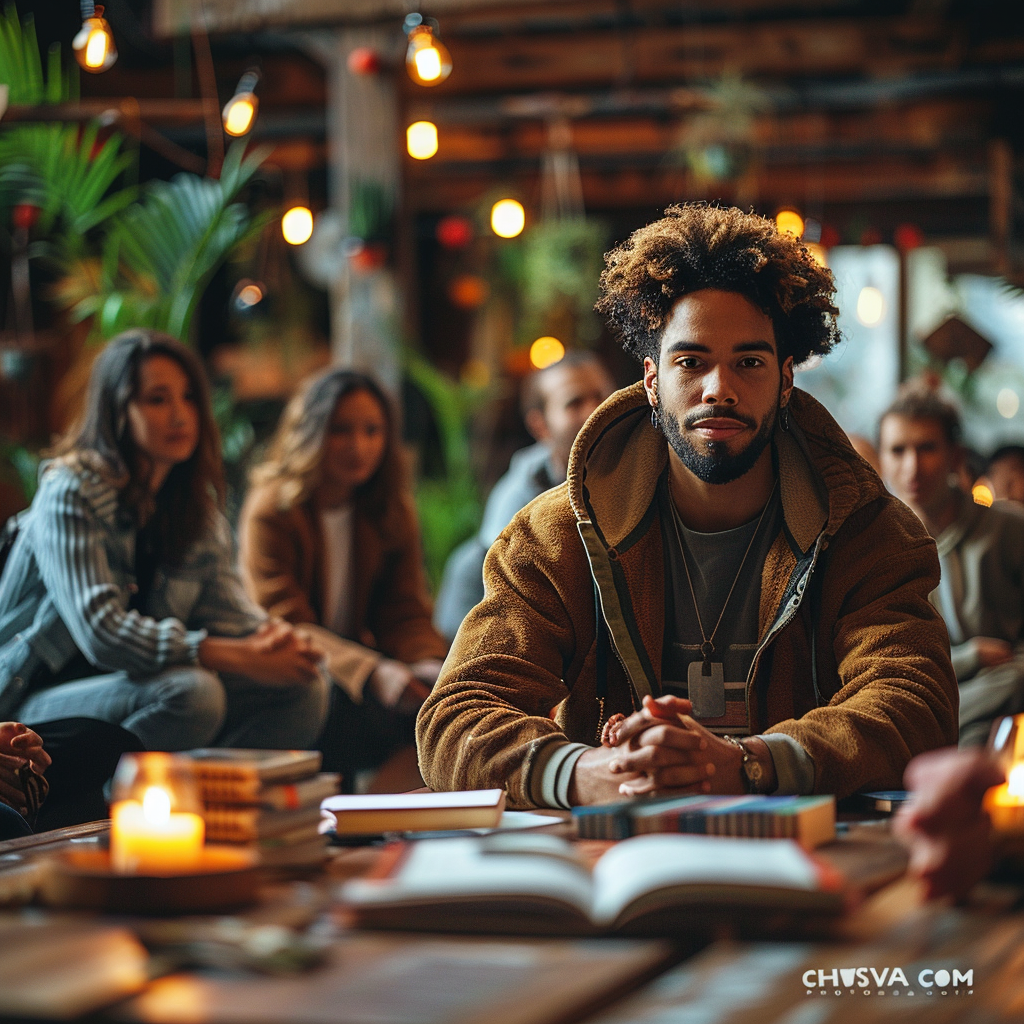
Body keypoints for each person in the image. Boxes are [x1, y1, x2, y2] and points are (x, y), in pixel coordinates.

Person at [417, 202, 957, 809]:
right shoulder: (556, 533)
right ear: (652, 380)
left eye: (748, 363)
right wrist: (585, 771)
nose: (718, 388)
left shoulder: (864, 529)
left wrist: (750, 764)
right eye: (691, 362)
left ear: (786, 380)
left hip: (804, 856)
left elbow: (916, 701)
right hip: (610, 859)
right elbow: (455, 717)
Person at [0, 330, 330, 753]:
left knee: (303, 688)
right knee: (193, 694)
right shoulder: (70, 492)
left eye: (189, 397)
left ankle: (220, 807)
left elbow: (228, 610)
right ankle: (119, 801)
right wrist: (228, 654)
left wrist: (278, 642)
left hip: (136, 687)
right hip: (33, 695)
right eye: (158, 399)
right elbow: (102, 631)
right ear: (118, 410)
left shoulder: (193, 509)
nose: (180, 415)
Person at [238, 368, 447, 786]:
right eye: (341, 430)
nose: (359, 446)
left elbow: (404, 611)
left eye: (373, 431)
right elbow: (284, 623)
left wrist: (430, 666)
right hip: (290, 665)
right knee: (341, 703)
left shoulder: (389, 508)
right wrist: (373, 671)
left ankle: (396, 829)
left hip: (354, 662)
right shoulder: (271, 510)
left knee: (438, 707)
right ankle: (348, 822)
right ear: (310, 433)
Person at [434, 351, 615, 640]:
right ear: (539, 426)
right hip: (551, 633)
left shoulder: (644, 466)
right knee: (467, 563)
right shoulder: (520, 496)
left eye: (601, 396)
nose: (594, 411)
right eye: (574, 403)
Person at [879, 387, 1024, 746]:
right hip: (922, 695)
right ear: (880, 459)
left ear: (955, 455)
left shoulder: (1008, 529)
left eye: (927, 448)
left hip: (1001, 690)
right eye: (898, 450)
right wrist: (971, 657)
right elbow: (890, 663)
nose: (912, 467)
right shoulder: (873, 547)